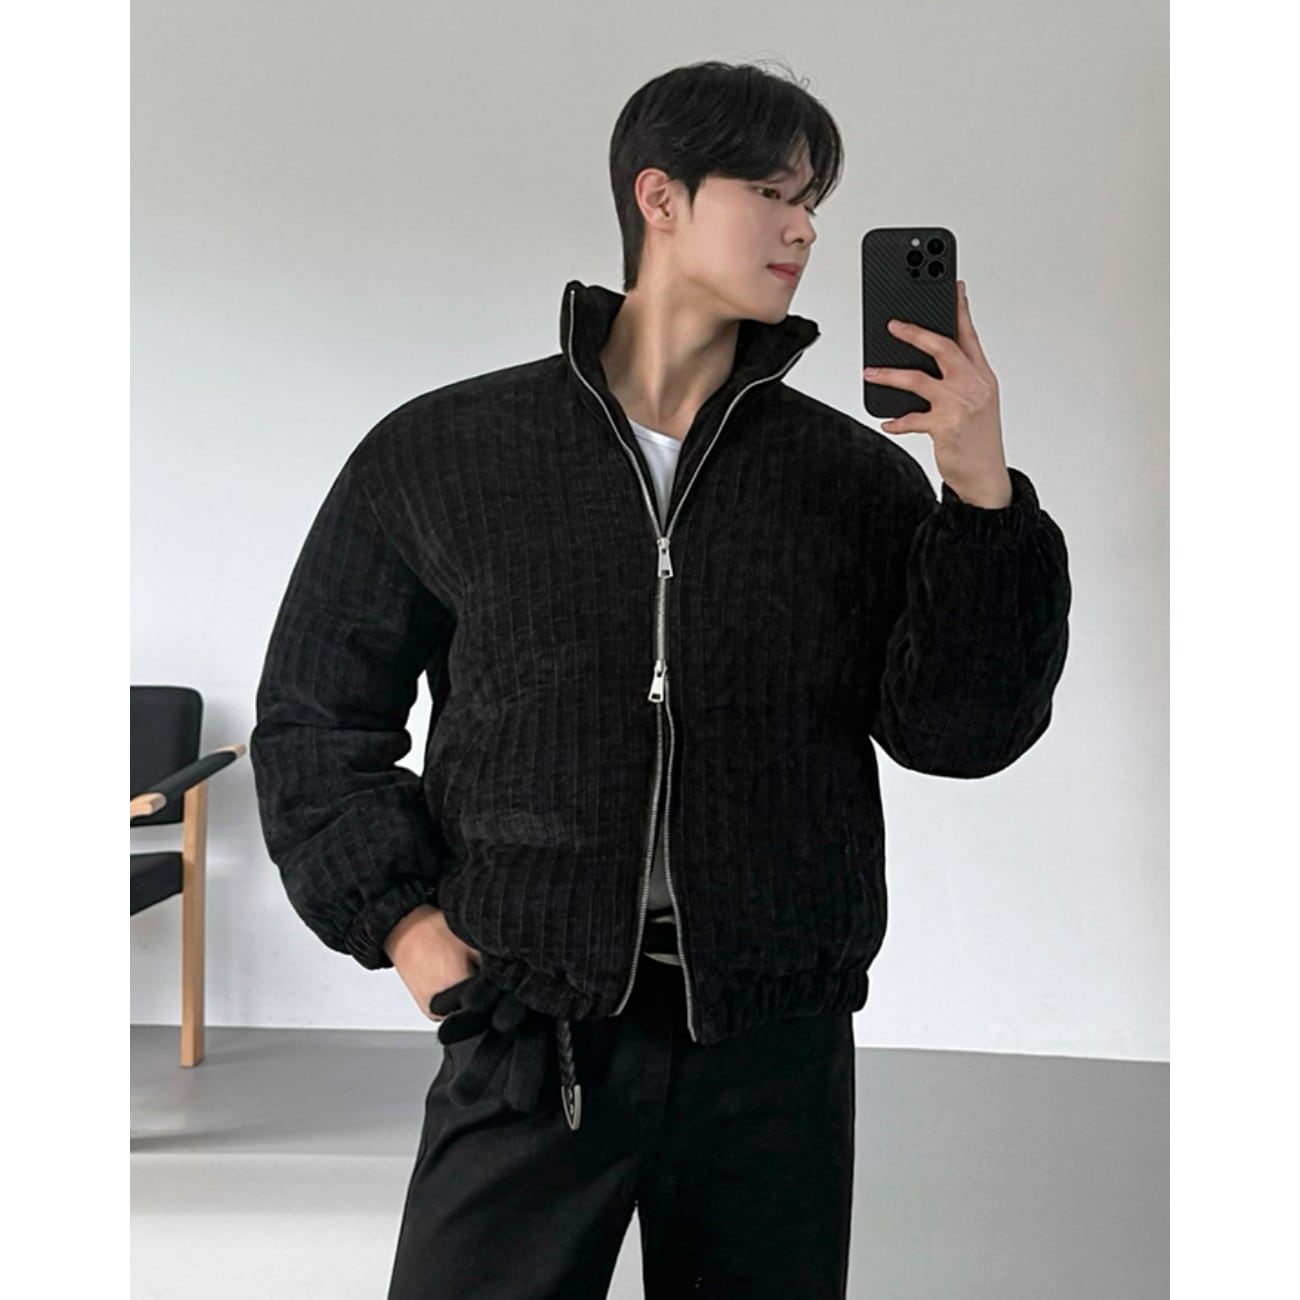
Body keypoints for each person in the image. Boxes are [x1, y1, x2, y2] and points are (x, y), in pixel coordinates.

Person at [250, 57, 1071, 1300]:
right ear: (661, 197)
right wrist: (416, 938)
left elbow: (958, 733)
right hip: (527, 1028)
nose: (803, 228)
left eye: (814, 202)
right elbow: (315, 719)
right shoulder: (447, 451)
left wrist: (980, 491)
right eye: (771, 191)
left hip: (773, 1042)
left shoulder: (851, 481)